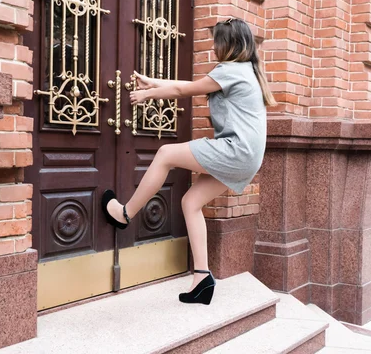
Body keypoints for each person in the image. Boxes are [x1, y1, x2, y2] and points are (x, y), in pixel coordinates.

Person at [102, 18, 276, 305]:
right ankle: (202, 278)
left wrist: (148, 95)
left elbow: (185, 91)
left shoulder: (231, 70)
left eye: (217, 41)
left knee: (165, 155)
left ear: (229, 45)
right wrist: (154, 82)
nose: (212, 46)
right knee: (191, 202)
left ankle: (125, 214)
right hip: (248, 157)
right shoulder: (247, 71)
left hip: (235, 150)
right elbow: (193, 85)